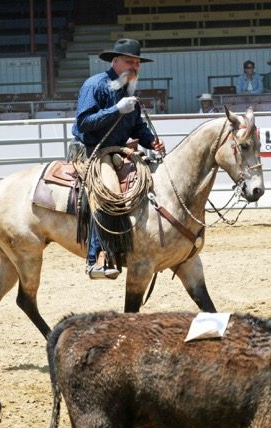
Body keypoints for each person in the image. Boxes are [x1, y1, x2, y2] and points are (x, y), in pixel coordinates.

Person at [72, 38, 165, 280]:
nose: (134, 66)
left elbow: (137, 126)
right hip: (94, 150)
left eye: (137, 62)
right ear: (115, 61)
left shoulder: (129, 90)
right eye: (129, 61)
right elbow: (84, 122)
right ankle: (97, 257)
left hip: (119, 151)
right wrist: (116, 110)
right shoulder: (94, 85)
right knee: (109, 190)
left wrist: (150, 141)